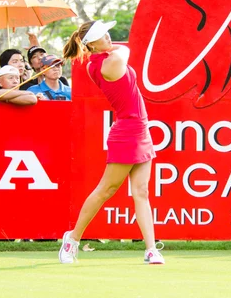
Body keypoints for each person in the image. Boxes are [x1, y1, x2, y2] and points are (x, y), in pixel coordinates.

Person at [59, 20, 164, 265]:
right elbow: (124, 50)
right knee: (106, 190)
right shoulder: (109, 64)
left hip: (141, 130)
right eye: (101, 35)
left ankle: (151, 250)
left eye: (106, 33)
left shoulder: (103, 59)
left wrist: (91, 45)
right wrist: (93, 47)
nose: (107, 36)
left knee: (142, 191)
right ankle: (72, 239)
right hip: (126, 132)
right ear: (90, 45)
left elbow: (115, 49)